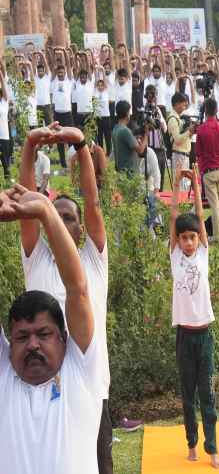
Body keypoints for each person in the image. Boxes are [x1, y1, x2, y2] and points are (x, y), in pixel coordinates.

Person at [18, 122, 114, 473]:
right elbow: (27, 198)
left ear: (79, 227)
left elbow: (93, 202)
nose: (61, 222)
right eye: (54, 216)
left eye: (68, 218)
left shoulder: (93, 260)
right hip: (42, 388)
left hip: (91, 389)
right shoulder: (37, 257)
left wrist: (81, 145)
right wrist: (29, 146)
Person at [0, 184, 102, 474]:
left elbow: (77, 290)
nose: (32, 344)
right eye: (21, 337)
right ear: (9, 345)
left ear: (64, 339)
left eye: (43, 334)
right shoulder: (4, 373)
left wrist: (46, 211)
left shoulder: (80, 370)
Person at [169, 168, 219, 469]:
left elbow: (200, 221)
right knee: (187, 396)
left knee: (207, 396)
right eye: (184, 238)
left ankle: (211, 446)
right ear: (177, 241)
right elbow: (175, 215)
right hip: (184, 337)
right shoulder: (175, 255)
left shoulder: (202, 253)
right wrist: (177, 185)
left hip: (204, 336)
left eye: (191, 238)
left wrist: (198, 184)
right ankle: (191, 443)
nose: (188, 242)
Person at [195, 97, 219, 242]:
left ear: (205, 111)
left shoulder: (201, 129)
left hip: (208, 171)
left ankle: (217, 235)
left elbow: (198, 152)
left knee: (214, 205)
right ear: (217, 110)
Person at [167, 92, 194, 183]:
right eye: (183, 103)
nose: (185, 105)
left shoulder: (178, 118)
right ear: (177, 104)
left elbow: (184, 137)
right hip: (179, 155)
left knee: (184, 185)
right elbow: (177, 140)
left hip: (184, 154)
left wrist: (191, 132)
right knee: (181, 186)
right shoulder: (172, 119)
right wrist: (189, 131)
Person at [111, 101, 139, 174]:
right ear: (127, 114)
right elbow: (140, 150)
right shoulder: (125, 131)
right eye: (129, 112)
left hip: (120, 173)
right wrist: (146, 134)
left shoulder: (115, 128)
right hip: (129, 175)